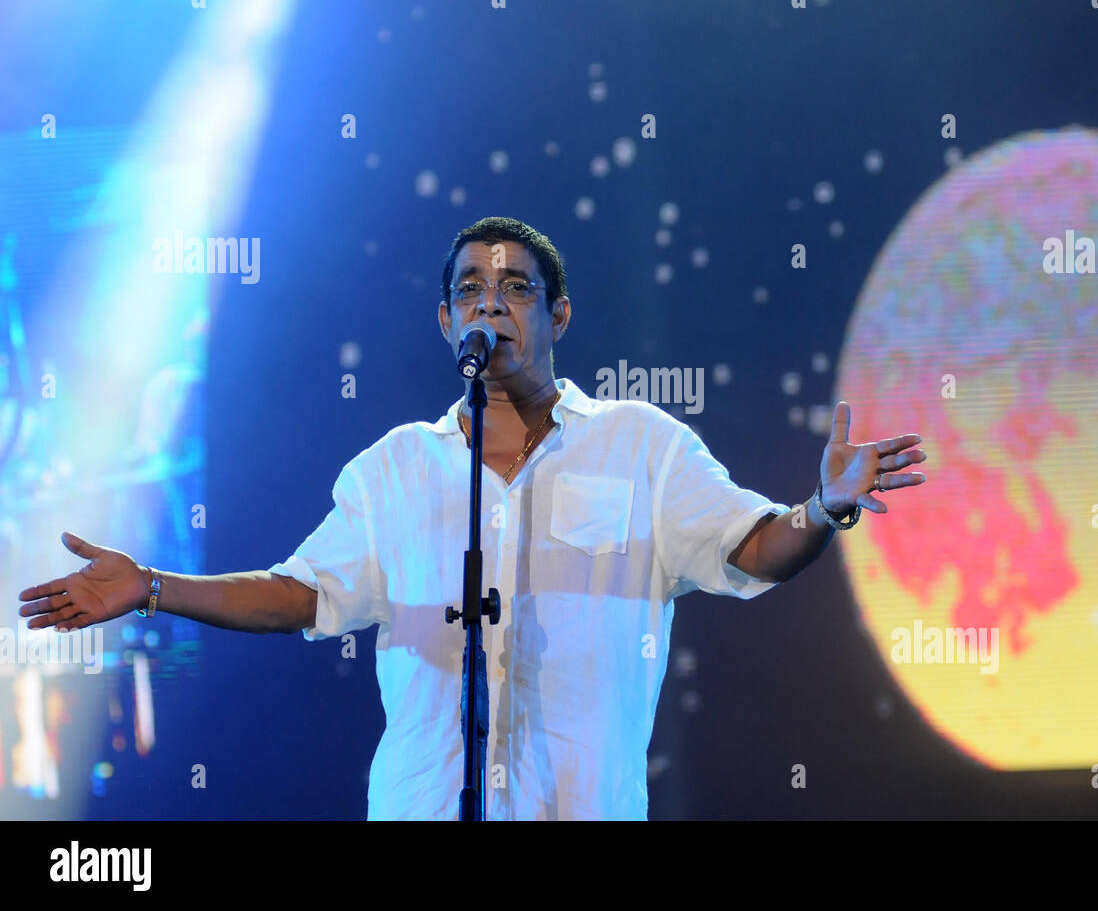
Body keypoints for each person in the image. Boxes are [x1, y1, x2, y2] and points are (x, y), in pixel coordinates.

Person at [17, 216, 926, 820]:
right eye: (472, 287)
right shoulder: (396, 468)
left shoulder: (641, 446)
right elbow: (300, 595)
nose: (492, 298)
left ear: (559, 313)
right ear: (447, 319)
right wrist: (154, 588)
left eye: (518, 286)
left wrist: (824, 507)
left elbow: (756, 548)